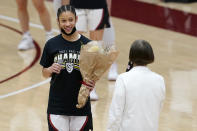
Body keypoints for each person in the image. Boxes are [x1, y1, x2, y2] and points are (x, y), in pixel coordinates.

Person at [40, 5, 94, 130]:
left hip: (81, 106)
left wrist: (92, 83)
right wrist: (50, 69)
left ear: (76, 19)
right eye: (63, 21)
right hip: (57, 106)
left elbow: (93, 74)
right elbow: (44, 73)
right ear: (58, 21)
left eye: (70, 20)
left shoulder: (88, 45)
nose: (68, 24)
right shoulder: (51, 44)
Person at [107, 40, 166, 131]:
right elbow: (158, 107)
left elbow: (116, 112)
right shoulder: (160, 80)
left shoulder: (123, 79)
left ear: (131, 57)